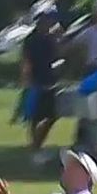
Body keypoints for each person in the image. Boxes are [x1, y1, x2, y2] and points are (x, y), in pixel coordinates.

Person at [21, 9, 64, 165]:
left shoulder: (49, 38)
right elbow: (27, 61)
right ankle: (35, 148)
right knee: (35, 117)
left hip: (50, 80)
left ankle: (36, 146)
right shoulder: (32, 39)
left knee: (51, 115)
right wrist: (26, 80)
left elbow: (57, 56)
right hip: (36, 81)